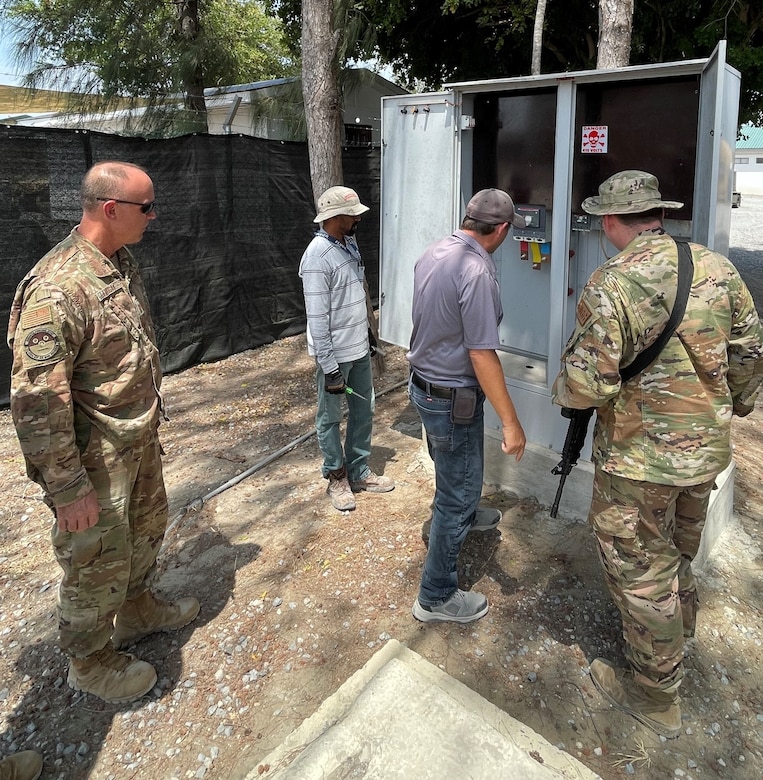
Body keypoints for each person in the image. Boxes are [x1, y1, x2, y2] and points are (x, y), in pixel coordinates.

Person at [552, 170, 763, 738]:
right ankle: (681, 629)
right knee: (674, 552)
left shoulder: (612, 283)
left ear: (611, 222)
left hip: (639, 463)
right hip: (704, 455)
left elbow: (585, 386)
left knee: (641, 571)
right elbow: (749, 351)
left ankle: (657, 695)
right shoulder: (718, 267)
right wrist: (732, 407)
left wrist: (563, 389)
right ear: (659, 216)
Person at [7, 161, 200, 705]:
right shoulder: (58, 288)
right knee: (93, 561)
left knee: (143, 532)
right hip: (94, 457)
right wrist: (67, 487)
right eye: (147, 207)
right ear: (111, 210)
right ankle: (88, 661)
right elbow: (38, 400)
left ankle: (136, 609)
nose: (154, 216)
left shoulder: (119, 262)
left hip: (135, 438)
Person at [408, 188, 527, 624]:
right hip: (451, 396)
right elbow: (481, 353)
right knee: (454, 493)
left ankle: (467, 510)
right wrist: (511, 422)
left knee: (455, 465)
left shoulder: (435, 250)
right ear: (501, 230)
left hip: (425, 386)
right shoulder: (477, 270)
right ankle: (435, 596)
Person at [299, 186, 395, 512]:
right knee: (329, 418)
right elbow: (317, 317)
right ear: (335, 217)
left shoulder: (348, 243)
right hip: (335, 357)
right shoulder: (316, 257)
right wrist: (329, 368)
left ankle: (358, 470)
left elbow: (353, 298)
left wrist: (367, 335)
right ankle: (336, 477)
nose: (357, 218)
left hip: (358, 349)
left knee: (363, 410)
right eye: (352, 214)